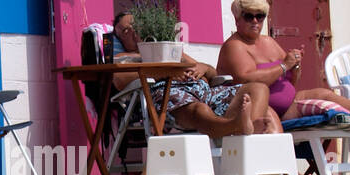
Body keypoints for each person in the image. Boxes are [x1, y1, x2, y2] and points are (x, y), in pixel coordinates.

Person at [217, 0, 350, 125]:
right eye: (249, 16)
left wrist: (295, 66)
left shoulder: (268, 41)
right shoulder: (235, 46)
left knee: (323, 94)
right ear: (237, 19)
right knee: (312, 106)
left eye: (261, 16)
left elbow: (292, 80)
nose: (256, 21)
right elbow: (246, 78)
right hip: (258, 109)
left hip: (286, 104)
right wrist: (284, 66)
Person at [109, 11, 272, 137]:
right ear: (120, 40)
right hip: (170, 96)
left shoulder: (168, 49)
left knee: (259, 88)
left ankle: (246, 127)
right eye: (125, 30)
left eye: (134, 25)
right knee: (200, 109)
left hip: (206, 92)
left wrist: (204, 68)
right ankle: (235, 127)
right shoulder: (124, 58)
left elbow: (212, 72)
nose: (133, 31)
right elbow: (119, 79)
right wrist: (165, 72)